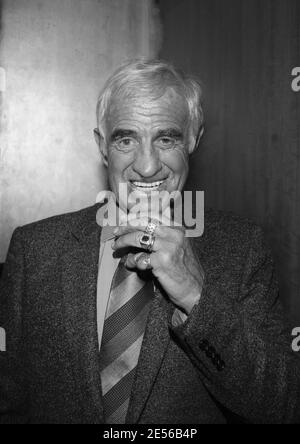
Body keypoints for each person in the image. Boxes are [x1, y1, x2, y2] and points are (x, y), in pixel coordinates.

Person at [0, 60, 300, 424]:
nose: (146, 166)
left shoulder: (243, 248)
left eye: (166, 138)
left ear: (193, 139)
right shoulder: (36, 250)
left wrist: (195, 293)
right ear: (102, 146)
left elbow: (282, 405)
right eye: (126, 139)